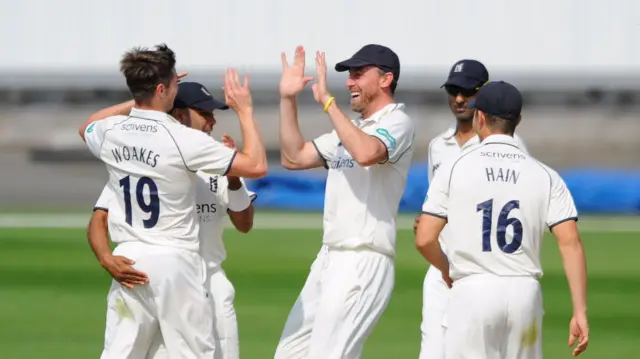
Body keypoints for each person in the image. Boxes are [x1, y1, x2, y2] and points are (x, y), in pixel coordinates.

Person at [78, 44, 267, 359]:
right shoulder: (184, 140)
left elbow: (87, 127)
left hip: (129, 257)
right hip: (174, 260)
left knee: (119, 353)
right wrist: (245, 112)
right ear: (164, 89)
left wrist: (141, 95)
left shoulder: (113, 132)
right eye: (174, 85)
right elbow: (258, 165)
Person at [415, 81, 589, 358]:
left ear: (479, 116)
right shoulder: (545, 174)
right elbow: (571, 243)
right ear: (517, 120)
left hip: (472, 290)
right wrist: (579, 311)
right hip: (525, 294)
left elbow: (424, 238)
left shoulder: (454, 168)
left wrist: (447, 270)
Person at [275, 44, 415, 359]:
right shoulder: (350, 131)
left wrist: (327, 103)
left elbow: (367, 154)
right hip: (328, 258)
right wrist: (287, 99)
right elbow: (294, 158)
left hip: (363, 258)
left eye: (358, 74)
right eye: (349, 75)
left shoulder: (398, 122)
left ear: (385, 79)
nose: (350, 82)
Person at [417, 59, 529, 359]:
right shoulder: (437, 146)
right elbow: (438, 202)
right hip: (442, 266)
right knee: (432, 351)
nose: (459, 99)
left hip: (485, 269)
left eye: (468, 91)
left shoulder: (511, 146)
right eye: (453, 90)